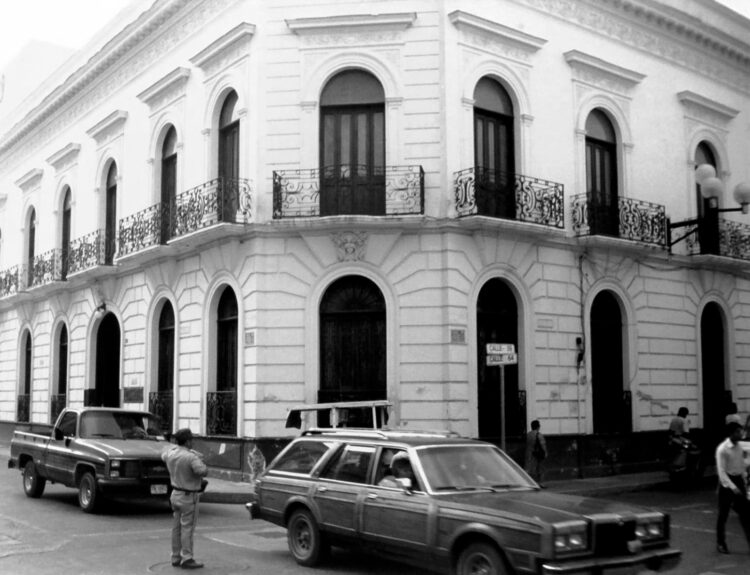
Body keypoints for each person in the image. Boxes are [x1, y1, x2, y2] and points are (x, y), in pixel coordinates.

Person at [162, 428, 208, 569]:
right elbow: (202, 471)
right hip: (189, 495)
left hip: (175, 493)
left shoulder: (170, 453)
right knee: (187, 528)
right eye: (191, 440)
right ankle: (187, 557)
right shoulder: (191, 457)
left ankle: (175, 556)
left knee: (176, 528)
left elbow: (163, 454)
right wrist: (198, 458)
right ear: (188, 441)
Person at [715, 421, 750, 554]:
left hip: (738, 480)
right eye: (737, 432)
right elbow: (721, 472)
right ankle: (720, 543)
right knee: (723, 515)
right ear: (731, 433)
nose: (740, 434)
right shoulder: (722, 449)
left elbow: (741, 465)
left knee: (746, 514)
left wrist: (744, 480)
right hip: (726, 484)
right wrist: (733, 488)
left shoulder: (739, 447)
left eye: (740, 431)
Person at [525, 420, 546, 487]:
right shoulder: (539, 435)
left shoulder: (528, 435)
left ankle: (529, 483)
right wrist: (545, 452)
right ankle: (540, 483)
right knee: (540, 469)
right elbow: (543, 445)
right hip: (537, 454)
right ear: (538, 427)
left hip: (529, 453)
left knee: (530, 469)